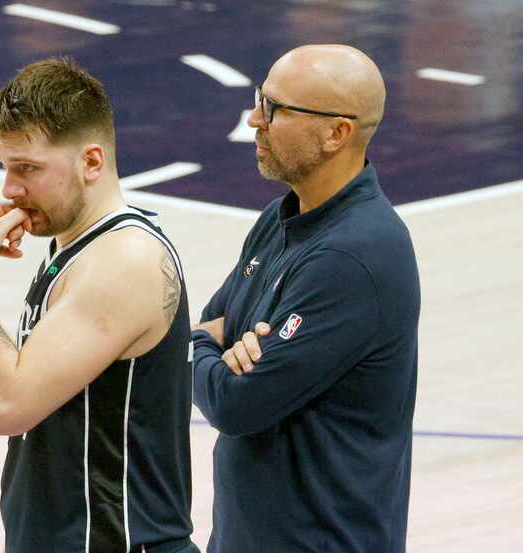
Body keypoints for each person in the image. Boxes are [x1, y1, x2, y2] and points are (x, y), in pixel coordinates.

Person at [0, 57, 198, 553]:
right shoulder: (74, 246)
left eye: (28, 169)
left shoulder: (124, 261)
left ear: (91, 162)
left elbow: (4, 406)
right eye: (5, 166)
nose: (10, 188)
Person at [192, 44, 420, 553]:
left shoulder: (356, 256)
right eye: (259, 99)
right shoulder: (279, 219)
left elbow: (237, 403)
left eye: (274, 108)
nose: (254, 119)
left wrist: (198, 349)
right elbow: (210, 322)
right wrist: (210, 347)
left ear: (336, 133)